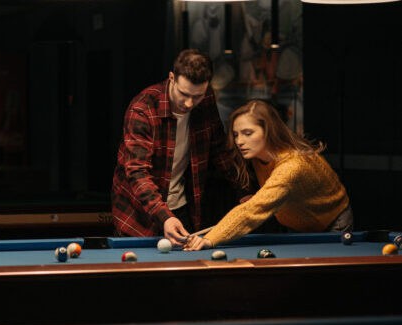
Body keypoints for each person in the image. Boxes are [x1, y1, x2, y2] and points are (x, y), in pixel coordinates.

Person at [184, 99, 353, 251]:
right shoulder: (258, 155)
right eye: (236, 134)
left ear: (269, 131)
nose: (239, 141)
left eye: (248, 133)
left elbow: (252, 210)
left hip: (331, 221)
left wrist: (209, 239)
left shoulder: (292, 167)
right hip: (297, 222)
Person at [111, 49, 235, 247]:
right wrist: (165, 216)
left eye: (197, 96)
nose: (189, 103)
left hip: (183, 210)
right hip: (138, 217)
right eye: (184, 94)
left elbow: (219, 150)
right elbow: (137, 171)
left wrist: (245, 190)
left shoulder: (207, 101)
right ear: (172, 78)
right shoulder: (143, 109)